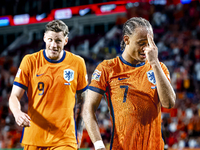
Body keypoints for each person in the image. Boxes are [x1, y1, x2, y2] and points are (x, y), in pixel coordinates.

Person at [82, 17, 176, 150]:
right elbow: (88, 109)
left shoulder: (159, 68)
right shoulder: (108, 68)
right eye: (141, 43)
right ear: (126, 40)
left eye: (149, 43)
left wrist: (154, 63)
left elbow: (169, 103)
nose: (146, 48)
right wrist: (99, 145)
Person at [9, 20, 88, 150]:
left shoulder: (77, 63)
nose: (53, 45)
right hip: (34, 136)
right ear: (44, 37)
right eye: (50, 39)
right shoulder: (30, 61)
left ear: (66, 41)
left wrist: (78, 131)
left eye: (58, 41)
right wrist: (17, 113)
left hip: (64, 139)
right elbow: (14, 96)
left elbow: (83, 101)